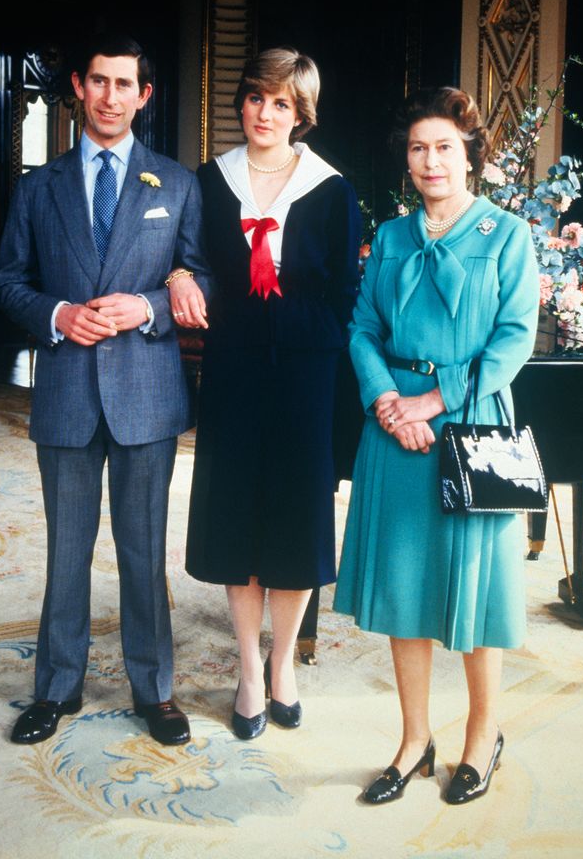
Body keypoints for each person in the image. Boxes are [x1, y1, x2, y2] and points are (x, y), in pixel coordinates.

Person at [0, 34, 212, 747]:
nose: (111, 96)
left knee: (143, 552)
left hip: (145, 393)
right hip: (64, 393)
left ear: (143, 96)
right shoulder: (37, 187)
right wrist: (57, 315)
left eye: (125, 84)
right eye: (99, 82)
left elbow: (201, 278)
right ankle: (55, 689)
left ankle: (154, 690)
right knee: (67, 551)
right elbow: (7, 284)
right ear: (78, 90)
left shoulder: (176, 185)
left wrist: (146, 307)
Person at [334, 87, 538, 805]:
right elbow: (361, 328)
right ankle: (414, 741)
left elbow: (514, 339)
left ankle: (482, 736)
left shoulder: (507, 236)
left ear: (470, 154)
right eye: (418, 148)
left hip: (472, 423)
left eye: (444, 147)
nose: (430, 161)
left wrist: (432, 399)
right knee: (401, 583)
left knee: (477, 589)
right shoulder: (389, 237)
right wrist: (388, 402)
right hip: (394, 427)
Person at [175, 48, 361, 740]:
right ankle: (247, 671)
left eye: (280, 103)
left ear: (300, 114)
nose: (264, 113)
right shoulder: (209, 180)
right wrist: (176, 279)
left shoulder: (331, 190)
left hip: (307, 369)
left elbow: (346, 294)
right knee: (236, 511)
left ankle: (283, 662)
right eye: (255, 98)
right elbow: (189, 260)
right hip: (234, 364)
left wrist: (311, 346)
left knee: (294, 514)